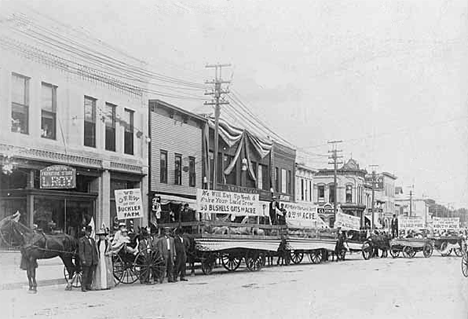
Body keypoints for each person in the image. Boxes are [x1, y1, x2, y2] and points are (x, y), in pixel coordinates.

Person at [79, 226, 98, 292]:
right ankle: (83, 286)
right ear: (85, 232)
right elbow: (81, 252)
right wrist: (83, 259)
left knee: (90, 273)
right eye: (88, 232)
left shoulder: (92, 240)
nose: (89, 233)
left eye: (90, 232)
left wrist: (96, 258)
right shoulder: (82, 240)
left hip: (92, 259)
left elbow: (94, 250)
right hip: (86, 259)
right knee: (85, 274)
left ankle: (88, 285)